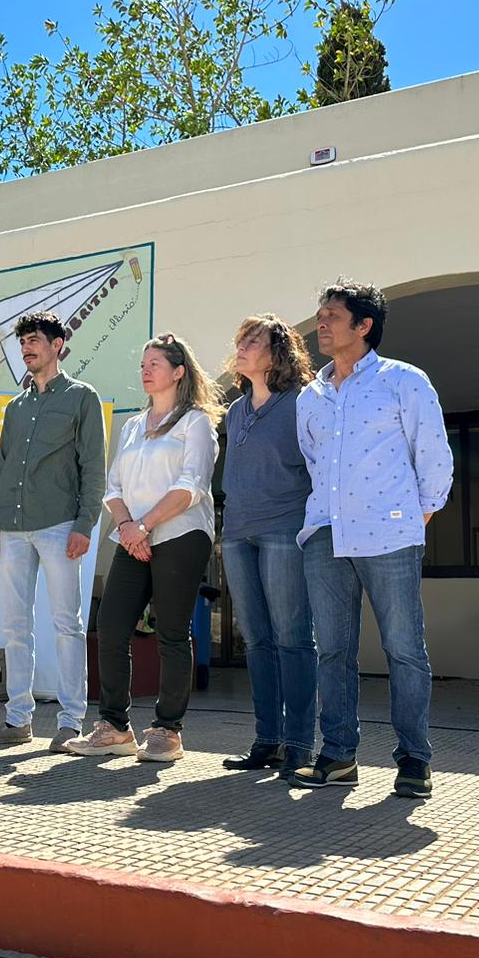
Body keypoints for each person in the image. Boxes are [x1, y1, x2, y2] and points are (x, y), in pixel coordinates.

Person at [289, 279, 453, 798]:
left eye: (332, 316)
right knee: (332, 651)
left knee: (404, 649)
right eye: (320, 315)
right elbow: (314, 462)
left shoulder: (403, 381)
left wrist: (420, 515)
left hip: (390, 531)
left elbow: (432, 454)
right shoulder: (309, 397)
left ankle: (414, 760)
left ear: (364, 326)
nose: (321, 323)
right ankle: (338, 756)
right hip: (325, 533)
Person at [69, 334, 221, 762]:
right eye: (142, 363)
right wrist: (127, 527)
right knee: (113, 627)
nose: (145, 370)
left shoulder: (196, 422)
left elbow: (191, 485)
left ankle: (167, 731)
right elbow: (113, 486)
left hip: (179, 534)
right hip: (131, 537)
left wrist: (144, 525)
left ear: (178, 372)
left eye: (155, 363)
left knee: (173, 633)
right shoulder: (134, 424)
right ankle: (115, 728)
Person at [0, 311, 106, 753]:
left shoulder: (82, 397)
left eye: (34, 340)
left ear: (57, 344)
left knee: (68, 624)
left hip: (60, 525)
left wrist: (84, 523)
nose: (27, 348)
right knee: (14, 627)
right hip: (12, 529)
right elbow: (4, 468)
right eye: (22, 342)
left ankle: (71, 722)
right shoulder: (15, 406)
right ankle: (17, 720)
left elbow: (93, 468)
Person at [219, 315, 317, 778]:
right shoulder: (236, 410)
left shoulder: (302, 403)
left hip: (284, 530)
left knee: (292, 639)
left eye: (251, 341)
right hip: (238, 533)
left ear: (277, 353)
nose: (240, 348)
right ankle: (268, 740)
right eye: (240, 341)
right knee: (256, 641)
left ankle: (300, 744)